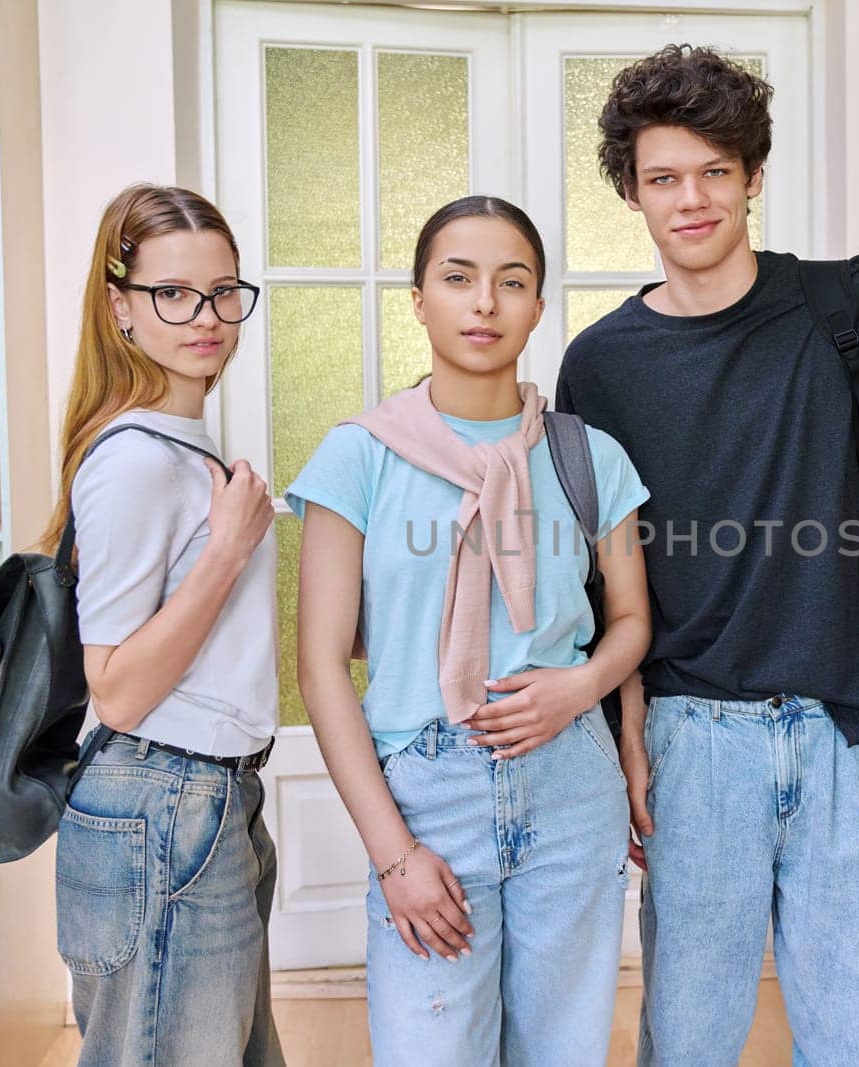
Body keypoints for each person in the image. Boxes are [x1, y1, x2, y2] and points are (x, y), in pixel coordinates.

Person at [554, 44, 859, 1066]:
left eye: (715, 172)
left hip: (846, 727)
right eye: (664, 177)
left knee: (857, 1040)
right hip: (692, 737)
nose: (691, 199)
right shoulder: (599, 363)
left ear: (753, 176)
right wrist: (631, 740)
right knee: (686, 1041)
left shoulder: (843, 305)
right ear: (631, 191)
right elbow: (607, 577)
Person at [289, 195, 651, 1065]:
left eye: (511, 282)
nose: (484, 302)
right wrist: (392, 853)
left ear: (536, 305)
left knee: (561, 1050)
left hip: (569, 783)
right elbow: (320, 667)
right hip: (426, 793)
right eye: (459, 278)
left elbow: (633, 622)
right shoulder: (359, 455)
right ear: (419, 298)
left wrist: (578, 688)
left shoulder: (587, 455)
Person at [42, 183, 284, 1065]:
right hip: (165, 796)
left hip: (204, 799)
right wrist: (226, 552)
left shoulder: (182, 446)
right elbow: (117, 686)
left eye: (224, 291)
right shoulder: (137, 460)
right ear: (120, 307)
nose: (207, 316)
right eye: (173, 294)